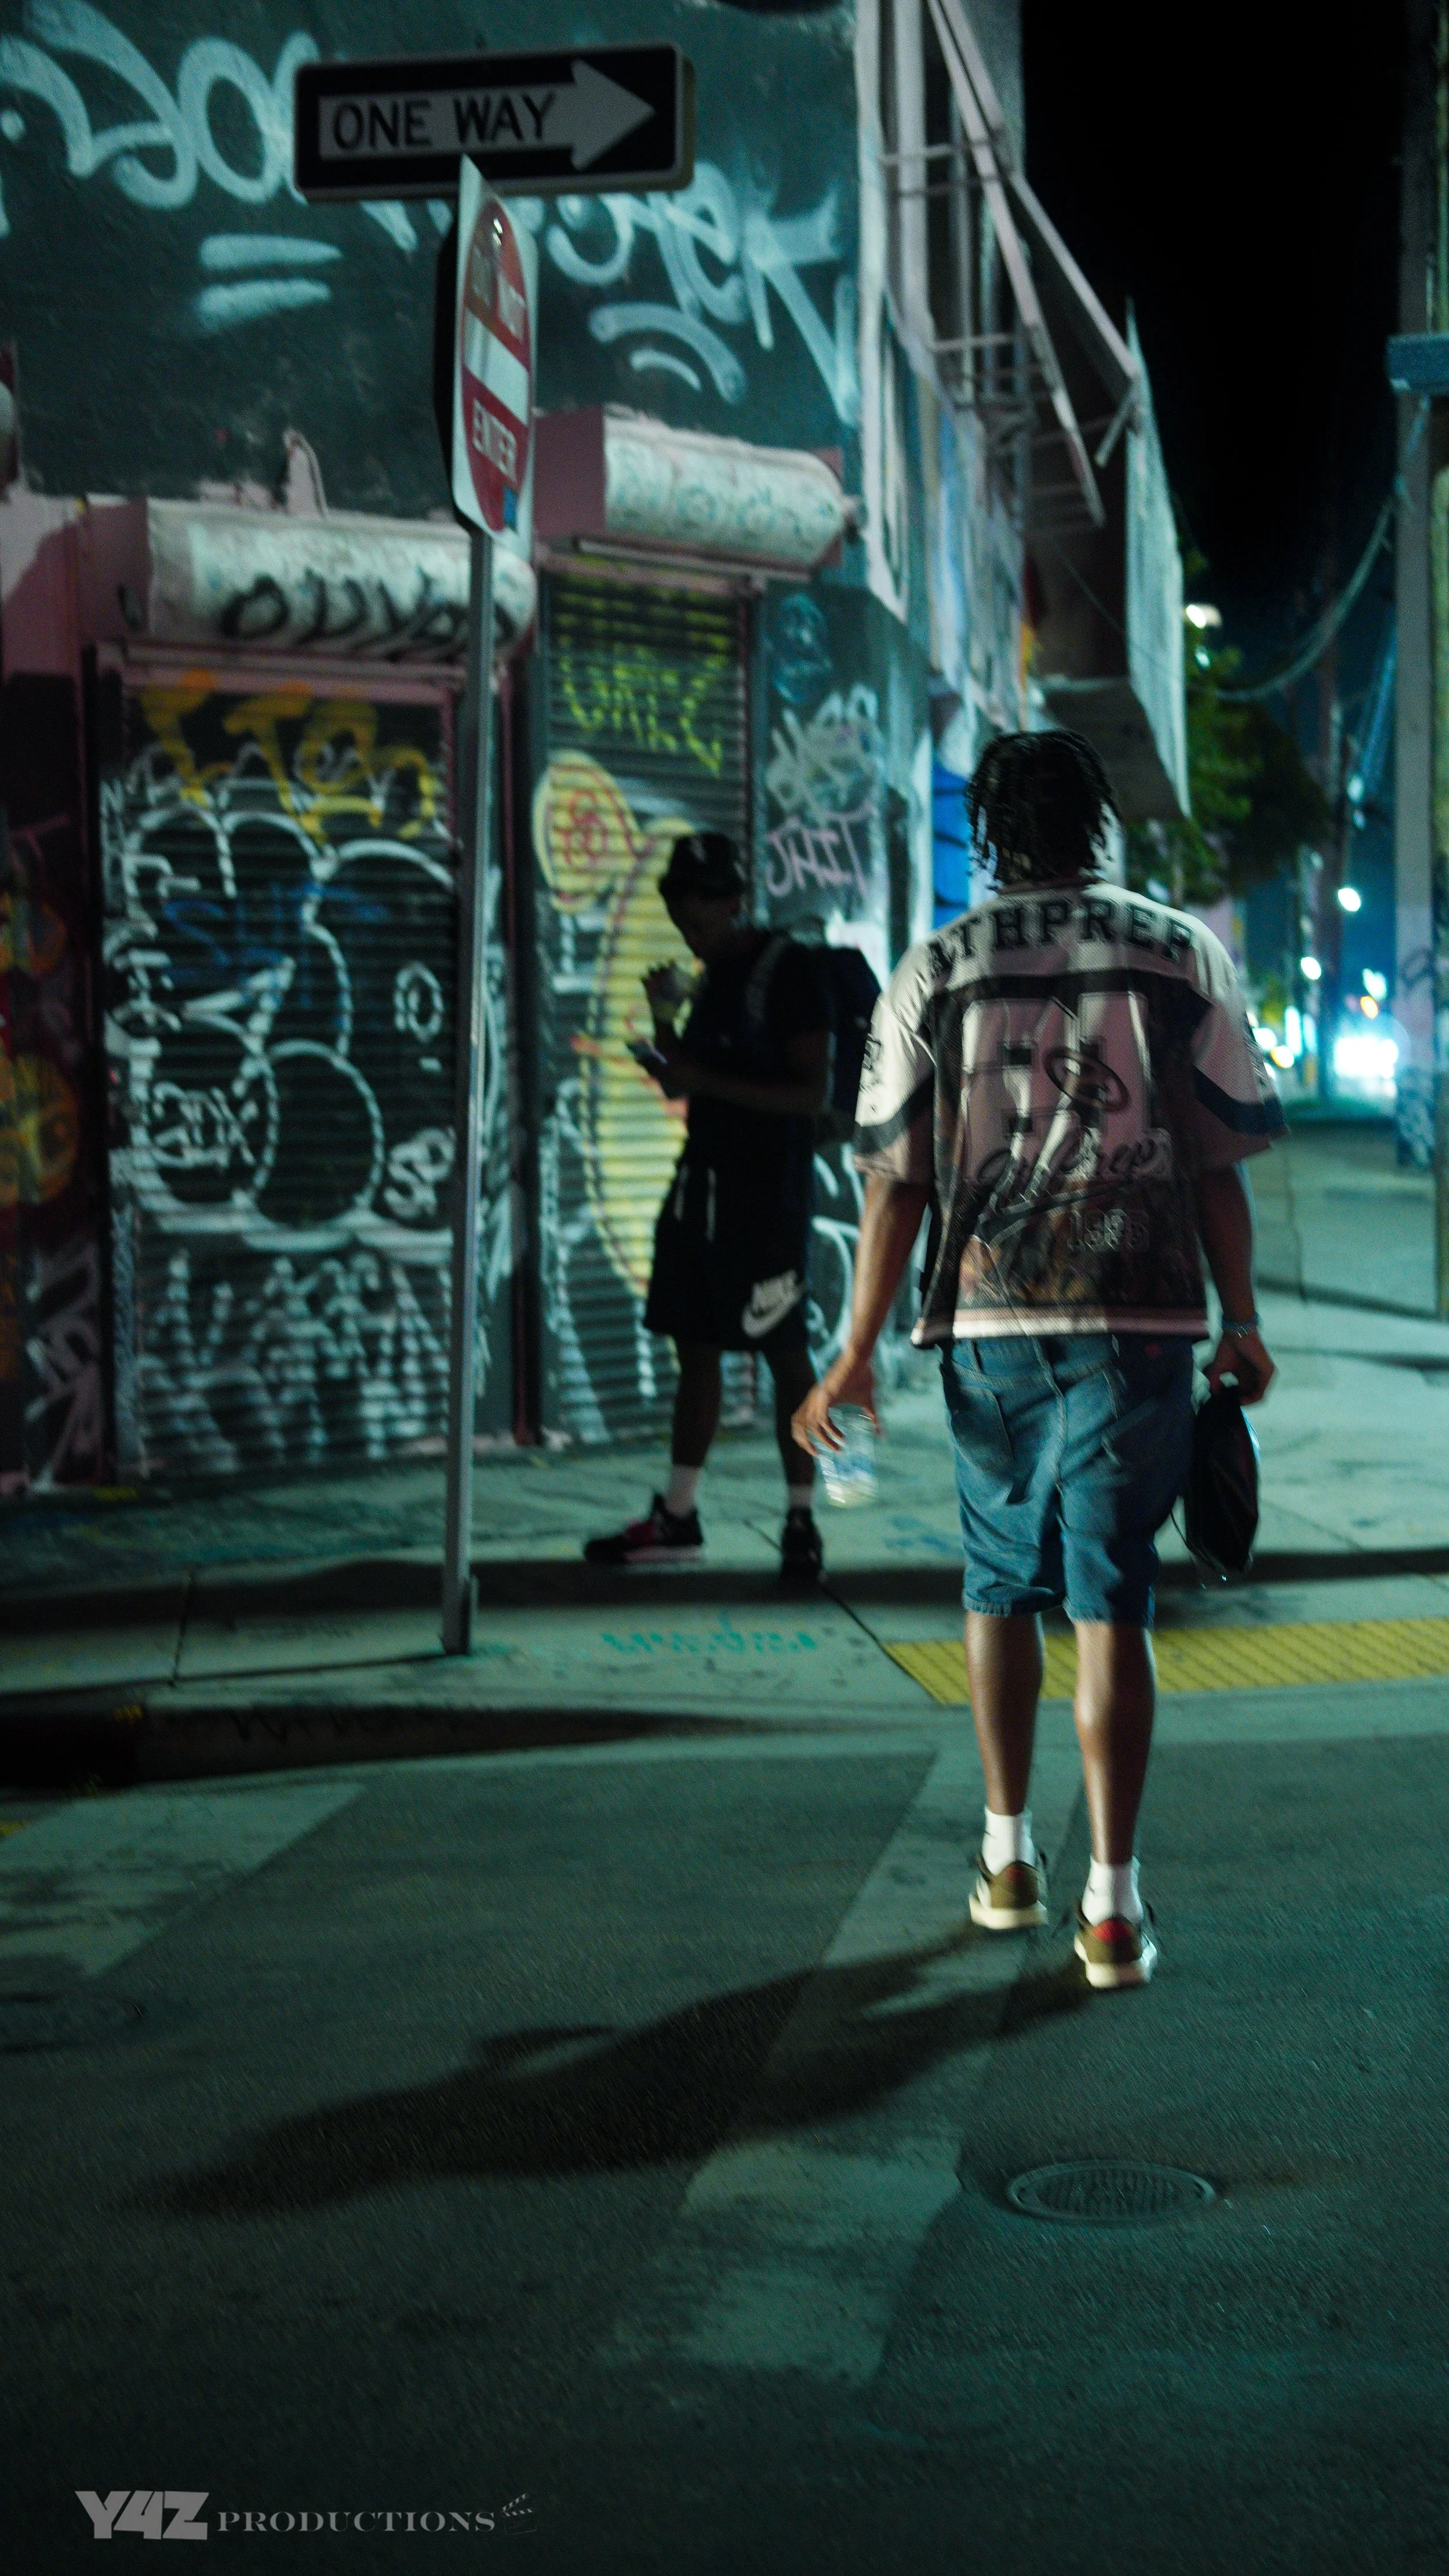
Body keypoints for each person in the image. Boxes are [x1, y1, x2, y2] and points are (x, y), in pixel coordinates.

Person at [793, 730, 1284, 1989]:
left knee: (999, 1584)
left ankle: (1007, 1857)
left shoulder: (936, 966)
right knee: (1112, 1599)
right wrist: (1240, 1319)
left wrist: (851, 1356)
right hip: (1141, 1321)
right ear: (1098, 822)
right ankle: (1111, 1905)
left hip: (991, 1324)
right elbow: (1218, 1164)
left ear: (988, 835)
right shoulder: (1180, 952)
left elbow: (895, 1185)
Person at [584, 829, 834, 1579]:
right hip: (701, 1190)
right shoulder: (714, 975)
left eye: (698, 915)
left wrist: (707, 1078)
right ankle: (679, 1516)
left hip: (766, 1198)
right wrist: (664, 1020)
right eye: (679, 917)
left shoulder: (787, 970)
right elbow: (678, 1082)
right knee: (694, 1346)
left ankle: (802, 1521)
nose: (689, 931)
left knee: (785, 1353)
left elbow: (811, 1092)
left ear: (732, 902)